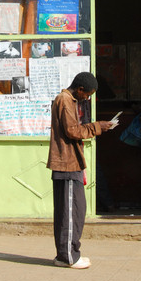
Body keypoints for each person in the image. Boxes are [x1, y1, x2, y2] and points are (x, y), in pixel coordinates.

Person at [47, 72, 112, 269]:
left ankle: (66, 253)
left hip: (72, 163)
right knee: (70, 213)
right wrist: (97, 127)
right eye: (88, 94)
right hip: (66, 165)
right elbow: (72, 131)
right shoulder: (65, 100)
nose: (88, 98)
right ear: (80, 89)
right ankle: (68, 256)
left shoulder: (69, 100)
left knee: (75, 210)